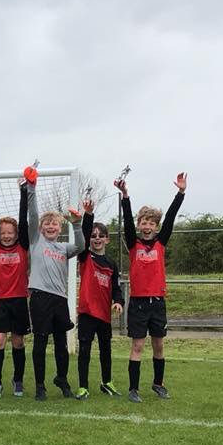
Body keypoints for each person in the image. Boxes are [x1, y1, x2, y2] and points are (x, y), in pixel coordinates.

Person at [115, 172, 187, 402]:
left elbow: (171, 218)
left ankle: (158, 384)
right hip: (138, 303)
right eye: (143, 222)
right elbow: (126, 221)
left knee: (158, 345)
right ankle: (133, 389)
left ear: (156, 227)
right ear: (139, 225)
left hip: (157, 302)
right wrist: (125, 196)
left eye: (151, 223)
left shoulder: (161, 242)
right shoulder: (134, 244)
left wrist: (181, 193)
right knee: (137, 346)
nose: (147, 226)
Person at [26, 181, 84, 401]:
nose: (51, 227)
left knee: (61, 342)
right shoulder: (36, 241)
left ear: (60, 229)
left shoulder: (63, 248)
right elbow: (33, 215)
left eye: (55, 225)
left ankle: (62, 379)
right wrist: (31, 189)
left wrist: (77, 225)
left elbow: (80, 247)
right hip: (40, 298)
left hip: (60, 300)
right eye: (47, 224)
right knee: (40, 341)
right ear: (41, 228)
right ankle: (40, 386)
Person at [0, 181, 30, 399]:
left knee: (18, 341)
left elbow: (23, 218)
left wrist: (23, 192)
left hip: (19, 300)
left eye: (11, 232)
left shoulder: (23, 246)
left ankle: (18, 380)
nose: (7, 235)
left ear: (16, 233)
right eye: (4, 232)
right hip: (0, 301)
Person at [75, 200, 124, 400]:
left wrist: (118, 301)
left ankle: (106, 382)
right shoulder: (85, 256)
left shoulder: (111, 263)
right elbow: (85, 234)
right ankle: (83, 387)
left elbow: (116, 288)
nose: (96, 239)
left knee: (106, 349)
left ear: (107, 240)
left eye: (100, 236)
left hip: (104, 314)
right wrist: (89, 214)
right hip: (87, 311)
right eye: (93, 236)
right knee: (84, 350)